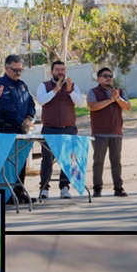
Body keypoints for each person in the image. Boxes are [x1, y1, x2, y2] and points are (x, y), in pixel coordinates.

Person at [36, 60, 84, 200]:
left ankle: (64, 187)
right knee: (47, 159)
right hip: (50, 129)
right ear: (51, 72)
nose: (60, 72)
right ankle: (44, 188)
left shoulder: (72, 86)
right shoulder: (44, 86)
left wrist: (69, 91)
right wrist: (55, 90)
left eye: (62, 69)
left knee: (69, 159)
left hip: (69, 129)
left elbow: (80, 103)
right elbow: (41, 100)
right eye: (57, 69)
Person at [0, 54, 37, 203]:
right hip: (7, 130)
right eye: (15, 70)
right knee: (8, 164)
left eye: (20, 70)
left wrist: (29, 118)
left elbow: (31, 103)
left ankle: (20, 191)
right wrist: (21, 122)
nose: (18, 72)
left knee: (21, 162)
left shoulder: (23, 85)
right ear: (6, 68)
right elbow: (7, 108)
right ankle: (8, 194)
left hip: (22, 130)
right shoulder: (1, 84)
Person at [86, 67, 131, 198]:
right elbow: (93, 106)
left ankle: (118, 188)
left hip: (116, 132)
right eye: (105, 76)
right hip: (100, 133)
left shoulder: (119, 92)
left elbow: (127, 107)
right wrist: (110, 100)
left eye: (110, 76)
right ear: (98, 78)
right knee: (98, 161)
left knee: (116, 162)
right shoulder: (93, 91)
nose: (109, 78)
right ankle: (97, 188)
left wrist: (117, 99)